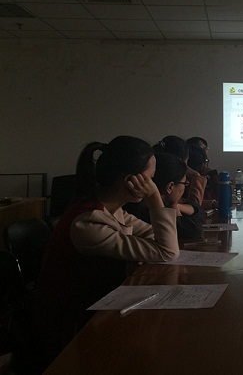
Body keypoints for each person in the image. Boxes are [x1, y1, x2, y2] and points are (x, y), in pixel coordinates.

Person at [14, 136, 179, 373]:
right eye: (150, 178)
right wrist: (154, 198)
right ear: (130, 180)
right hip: (70, 331)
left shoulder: (113, 211)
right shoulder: (89, 222)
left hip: (96, 310)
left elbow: (161, 240)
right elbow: (168, 251)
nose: (153, 184)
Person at [138, 152, 205, 239]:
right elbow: (195, 232)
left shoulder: (155, 203)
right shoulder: (148, 211)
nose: (185, 186)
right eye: (184, 183)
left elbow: (199, 212)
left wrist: (176, 205)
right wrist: (174, 207)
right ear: (170, 187)